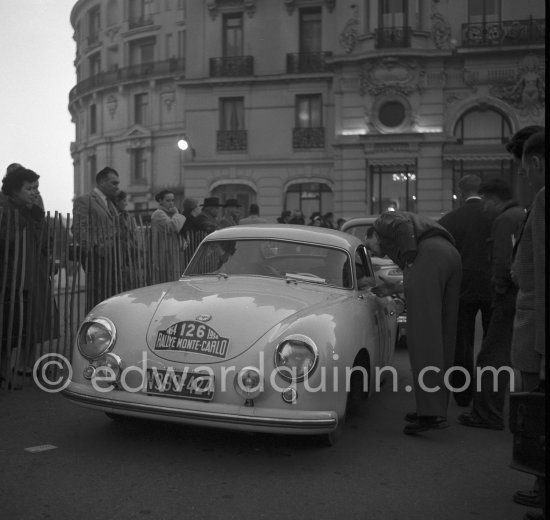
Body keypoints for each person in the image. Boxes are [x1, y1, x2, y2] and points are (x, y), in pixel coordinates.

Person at [365, 211, 461, 434]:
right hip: (450, 256)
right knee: (444, 334)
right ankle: (437, 407)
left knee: (423, 337)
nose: (370, 250)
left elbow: (400, 223)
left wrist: (409, 258)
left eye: (368, 245)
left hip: (430, 256)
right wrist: (397, 287)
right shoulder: (423, 236)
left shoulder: (382, 224)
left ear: (374, 234)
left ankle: (431, 413)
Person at [457, 178, 524, 430]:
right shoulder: (521, 214)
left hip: (508, 298)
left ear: (494, 200)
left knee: (490, 358)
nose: (484, 208)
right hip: (520, 296)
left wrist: (499, 288)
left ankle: (488, 415)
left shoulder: (505, 220)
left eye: (486, 202)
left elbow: (503, 263)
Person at [510, 130, 545, 519]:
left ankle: (542, 486)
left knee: (536, 417)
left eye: (525, 169)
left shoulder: (543, 197)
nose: (525, 178)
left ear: (535, 163)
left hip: (537, 333)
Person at [439, 174, 496, 407]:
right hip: (493, 284)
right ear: (481, 192)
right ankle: (490, 393)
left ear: (460, 194)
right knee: (493, 342)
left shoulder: (450, 220)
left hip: (462, 285)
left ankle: (463, 394)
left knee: (462, 342)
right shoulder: (496, 216)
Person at [0, 167, 58, 386]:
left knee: (15, 329)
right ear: (14, 190)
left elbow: (42, 242)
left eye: (36, 188)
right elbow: (8, 241)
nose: (35, 192)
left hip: (26, 277)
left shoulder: (30, 210)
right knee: (5, 329)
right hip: (7, 278)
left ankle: (6, 374)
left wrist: (35, 219)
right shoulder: (4, 209)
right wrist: (25, 220)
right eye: (29, 188)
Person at [72, 166, 121, 311]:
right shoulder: (85, 200)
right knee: (97, 298)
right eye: (114, 183)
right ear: (101, 182)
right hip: (97, 259)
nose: (117, 187)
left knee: (110, 297)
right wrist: (92, 250)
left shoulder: (110, 203)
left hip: (113, 258)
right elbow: (78, 227)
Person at [150, 189, 186, 283]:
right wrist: (177, 214)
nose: (171, 203)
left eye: (173, 200)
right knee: (166, 280)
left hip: (172, 251)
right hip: (163, 251)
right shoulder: (158, 213)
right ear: (160, 201)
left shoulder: (170, 214)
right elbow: (174, 226)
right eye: (168, 200)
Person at [113, 190, 140, 290]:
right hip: (118, 250)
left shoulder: (127, 216)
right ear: (117, 201)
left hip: (130, 249)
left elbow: (133, 232)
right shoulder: (113, 216)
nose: (126, 203)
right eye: (124, 200)